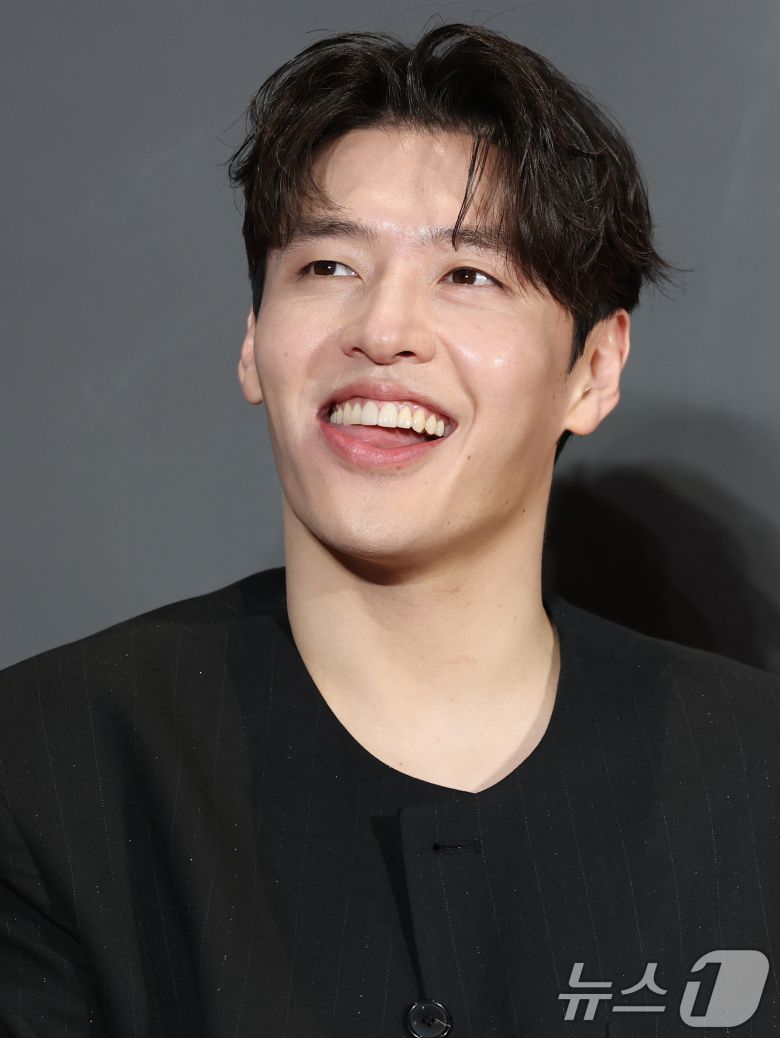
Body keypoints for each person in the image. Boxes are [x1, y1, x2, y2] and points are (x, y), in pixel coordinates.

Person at [1, 21, 778, 1038]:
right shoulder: (52, 768)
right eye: (328, 267)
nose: (381, 330)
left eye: (469, 276)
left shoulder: (753, 778)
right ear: (253, 342)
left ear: (594, 371)